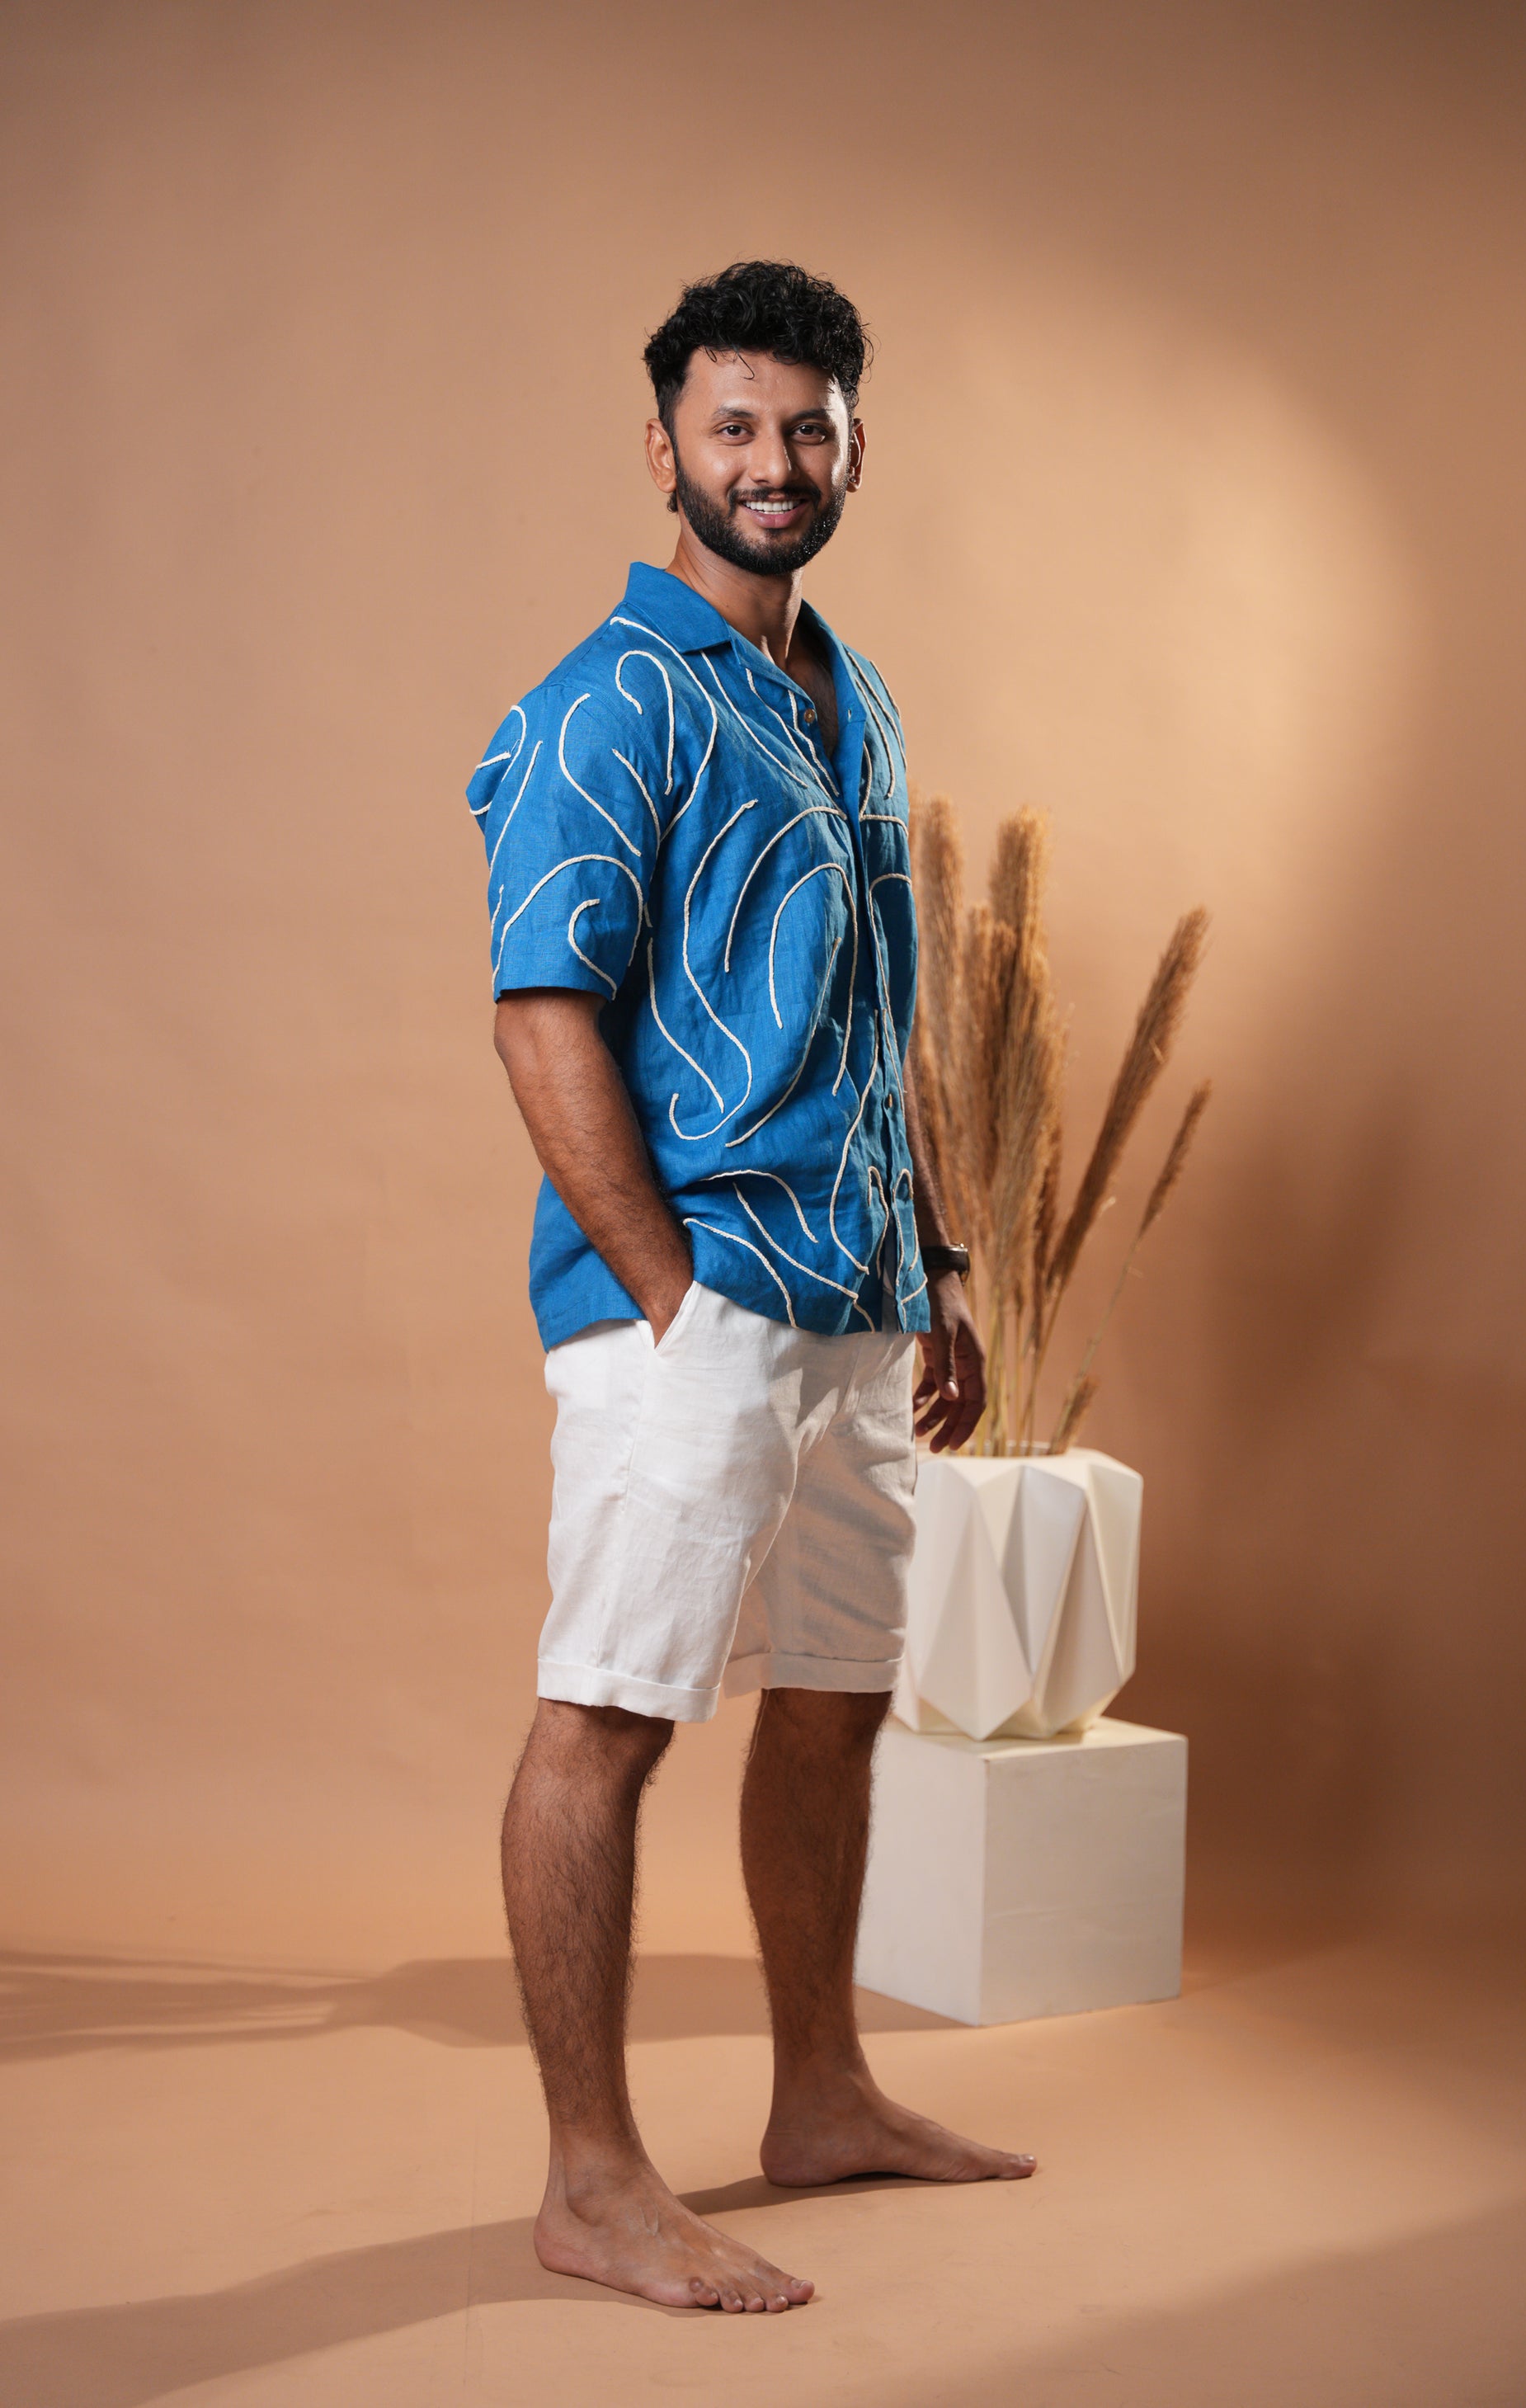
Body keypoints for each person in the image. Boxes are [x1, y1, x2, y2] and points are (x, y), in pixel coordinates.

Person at [469, 261, 1034, 2316]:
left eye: (808, 427)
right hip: (689, 1314)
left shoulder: (852, 691)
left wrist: (934, 1250)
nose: (772, 463)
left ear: (851, 443)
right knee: (609, 1714)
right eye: (734, 427)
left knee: (832, 1699)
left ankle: (821, 2093)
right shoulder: (609, 699)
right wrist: (668, 1295)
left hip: (860, 1292)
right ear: (665, 450)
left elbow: (872, 1010)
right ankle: (594, 2177)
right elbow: (543, 1020)